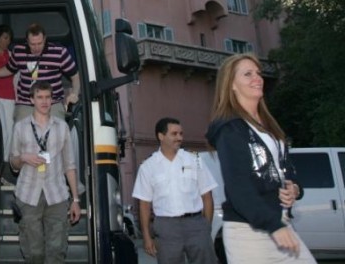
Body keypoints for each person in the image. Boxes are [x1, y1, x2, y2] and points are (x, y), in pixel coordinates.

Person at [206, 54, 316, 263]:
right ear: (232, 85)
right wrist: (273, 225)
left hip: (280, 223)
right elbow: (238, 187)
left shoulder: (268, 126)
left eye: (258, 73)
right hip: (249, 233)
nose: (257, 78)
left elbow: (287, 170)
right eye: (248, 74)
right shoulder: (230, 128)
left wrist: (295, 189)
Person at [10, 80, 81, 263]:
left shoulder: (62, 127)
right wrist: (24, 158)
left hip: (57, 194)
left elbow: (70, 165)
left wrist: (75, 200)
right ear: (32, 100)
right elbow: (13, 164)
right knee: (34, 253)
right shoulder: (20, 127)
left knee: (56, 251)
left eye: (48, 97)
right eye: (40, 97)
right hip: (28, 195)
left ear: (52, 100)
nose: (44, 101)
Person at [132, 117, 217, 264]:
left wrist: (206, 227)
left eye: (181, 134)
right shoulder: (148, 166)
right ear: (161, 136)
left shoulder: (194, 159)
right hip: (166, 228)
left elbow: (207, 196)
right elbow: (144, 205)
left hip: (196, 224)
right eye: (174, 134)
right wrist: (146, 236)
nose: (179, 137)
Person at [0, 22, 80, 122]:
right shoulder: (18, 51)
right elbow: (9, 69)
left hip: (52, 103)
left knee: (56, 132)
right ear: (27, 41)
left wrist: (74, 93)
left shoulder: (59, 52)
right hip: (26, 103)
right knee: (21, 133)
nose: (36, 47)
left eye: (39, 43)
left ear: (44, 39)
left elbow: (75, 76)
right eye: (32, 44)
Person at [0, 24, 16, 162]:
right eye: (5, 38)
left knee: (11, 131)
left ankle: (6, 161)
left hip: (11, 98)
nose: (8, 41)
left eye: (9, 38)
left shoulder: (12, 56)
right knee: (1, 132)